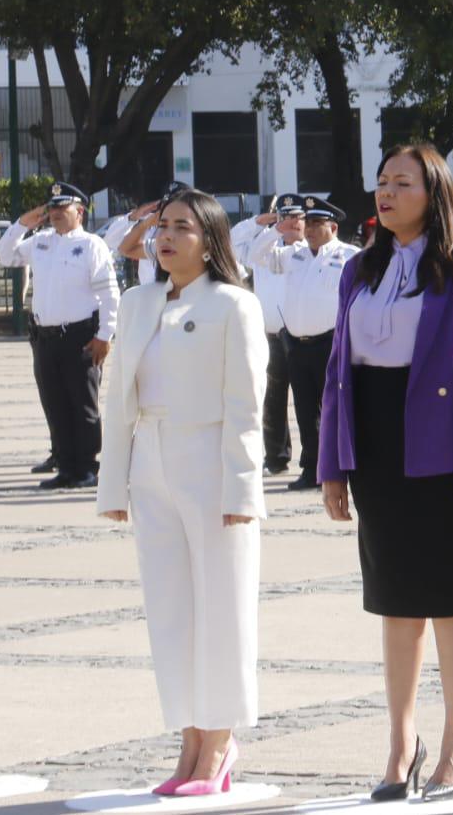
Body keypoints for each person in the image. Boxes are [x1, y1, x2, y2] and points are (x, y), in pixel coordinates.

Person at [316, 144, 453, 803]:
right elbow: (337, 374)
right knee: (396, 603)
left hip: (443, 448)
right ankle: (401, 743)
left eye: (402, 182)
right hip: (374, 446)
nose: (387, 193)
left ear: (435, 192)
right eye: (381, 182)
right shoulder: (359, 269)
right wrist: (332, 465)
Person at [95, 188, 268, 797]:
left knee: (222, 610)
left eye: (182, 228)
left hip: (212, 463)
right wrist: (113, 481)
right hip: (152, 464)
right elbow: (119, 400)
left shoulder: (233, 305)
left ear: (211, 238)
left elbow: (247, 407)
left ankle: (218, 743)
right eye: (162, 226)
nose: (166, 237)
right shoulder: (139, 302)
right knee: (171, 612)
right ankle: (189, 738)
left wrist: (242, 490)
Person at [0, 182, 119, 489]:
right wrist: (23, 223)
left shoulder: (92, 245)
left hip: (79, 336)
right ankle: (65, 466)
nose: (55, 215)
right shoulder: (40, 242)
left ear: (79, 211)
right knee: (55, 403)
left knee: (82, 404)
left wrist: (105, 335)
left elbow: (109, 293)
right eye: (51, 209)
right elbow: (3, 255)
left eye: (62, 209)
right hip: (45, 337)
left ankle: (86, 468)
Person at [245, 195, 356, 490]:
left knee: (335, 409)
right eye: (308, 223)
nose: (309, 230)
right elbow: (254, 257)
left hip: (330, 343)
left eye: (317, 223)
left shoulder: (348, 256)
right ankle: (312, 469)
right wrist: (275, 230)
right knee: (306, 412)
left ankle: (341, 467)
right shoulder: (295, 255)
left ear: (332, 227)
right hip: (296, 344)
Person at [231, 196, 303, 476]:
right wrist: (265, 225)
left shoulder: (311, 251)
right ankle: (276, 457)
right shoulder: (264, 248)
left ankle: (316, 458)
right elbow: (236, 245)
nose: (292, 224)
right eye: (286, 217)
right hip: (270, 335)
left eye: (297, 218)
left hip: (300, 335)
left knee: (310, 402)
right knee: (272, 400)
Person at [114, 182, 191, 287]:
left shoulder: (194, 237)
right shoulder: (151, 226)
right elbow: (120, 246)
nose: (169, 209)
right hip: (151, 298)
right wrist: (138, 219)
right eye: (166, 204)